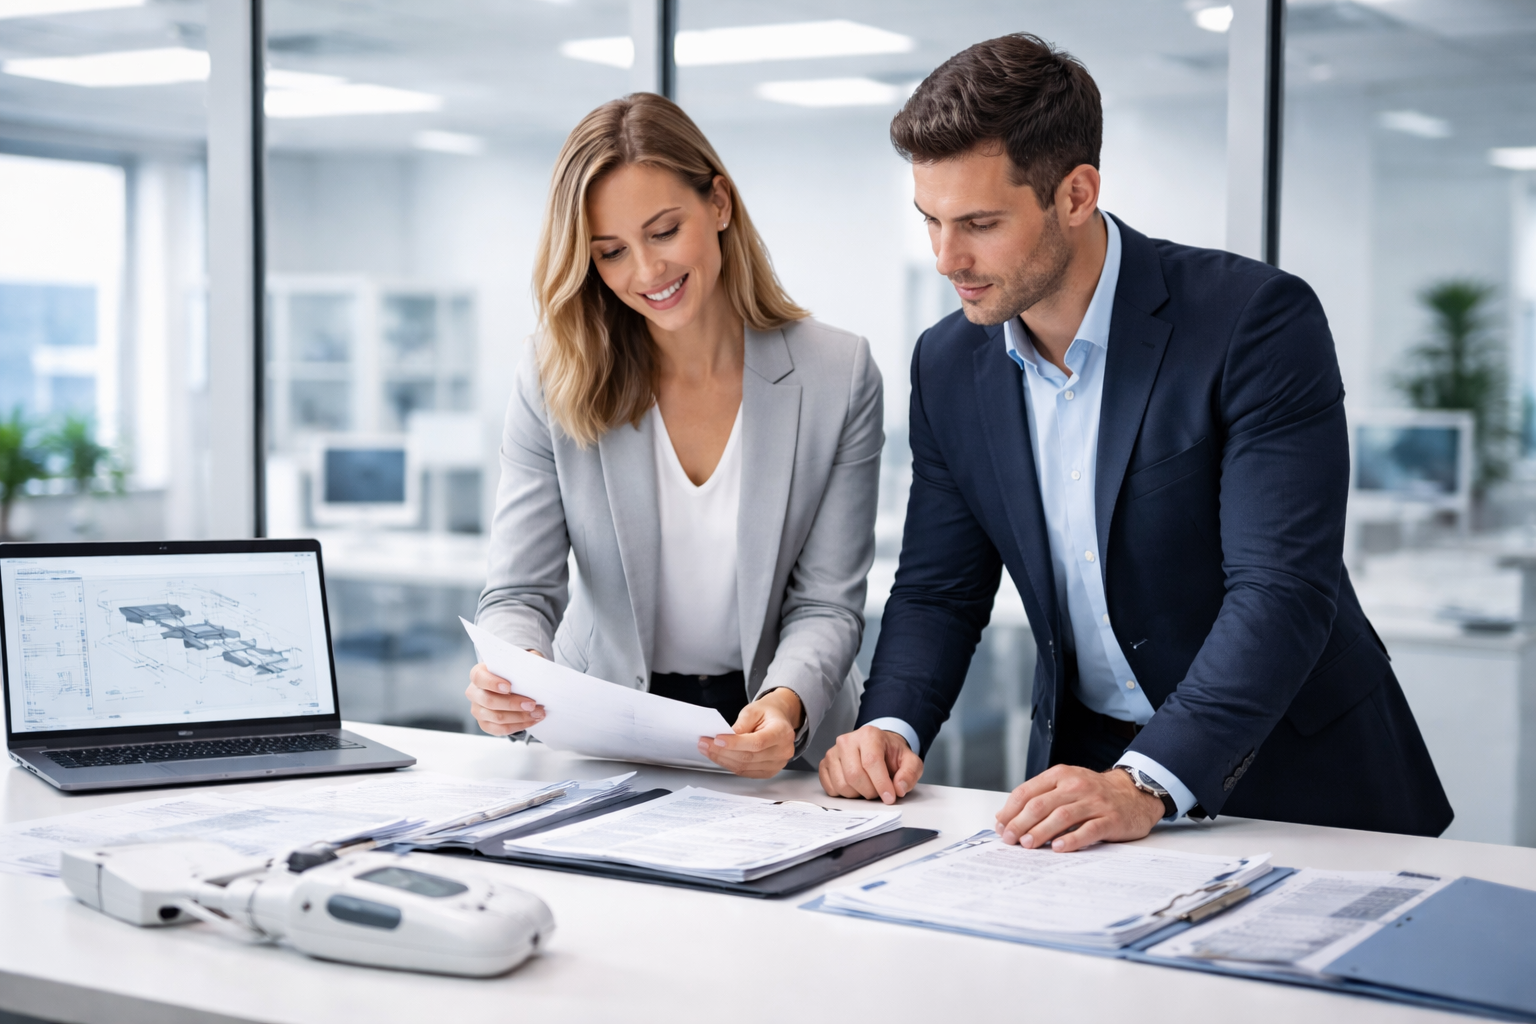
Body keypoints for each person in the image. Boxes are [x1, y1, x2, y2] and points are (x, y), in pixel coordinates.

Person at [819, 33, 1453, 846]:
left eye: (979, 222)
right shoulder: (948, 364)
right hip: (1084, 780)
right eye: (931, 221)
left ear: (1076, 194)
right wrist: (891, 727)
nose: (948, 259)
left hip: (1295, 782)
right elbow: (940, 590)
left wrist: (1145, 781)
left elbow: (1280, 591)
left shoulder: (1254, 323)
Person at [468, 93, 883, 777]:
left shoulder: (838, 374)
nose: (647, 272)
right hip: (599, 727)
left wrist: (786, 704)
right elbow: (519, 594)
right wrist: (516, 673)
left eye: (663, 232)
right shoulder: (553, 373)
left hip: (777, 735)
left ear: (718, 204)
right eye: (610, 252)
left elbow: (826, 604)